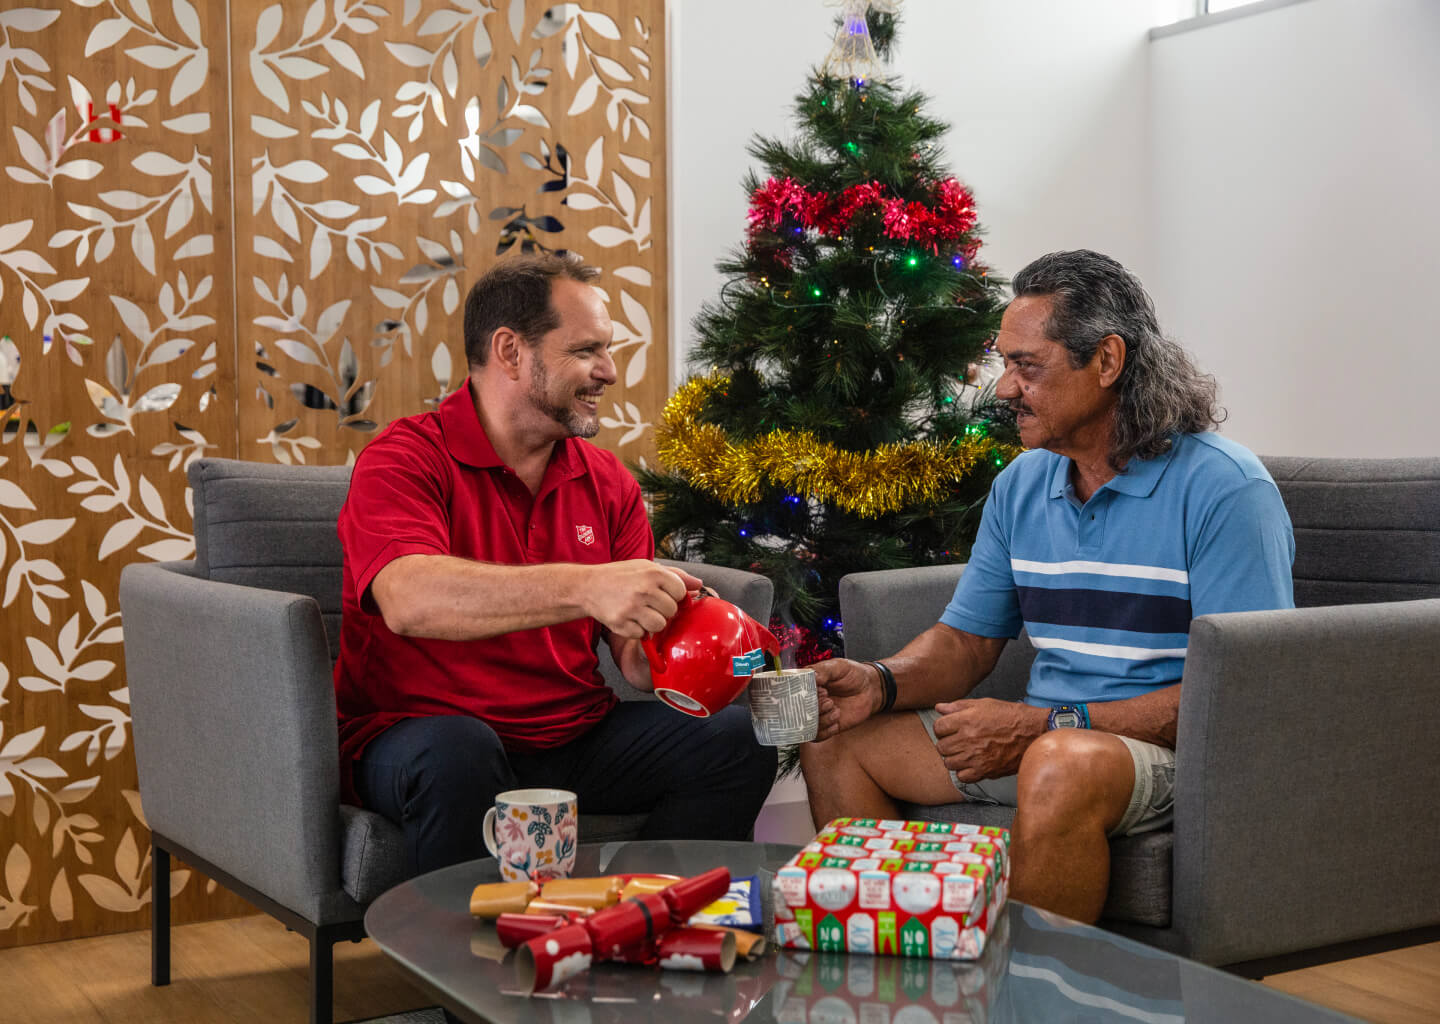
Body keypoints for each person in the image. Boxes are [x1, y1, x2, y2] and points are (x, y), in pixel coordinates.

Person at [800, 250, 1294, 923]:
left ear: (1108, 362)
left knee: (1058, 763)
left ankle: (1030, 1000)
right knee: (834, 740)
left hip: (1171, 753)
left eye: (1026, 366)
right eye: (1005, 364)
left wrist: (1045, 725)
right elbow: (968, 642)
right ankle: (907, 980)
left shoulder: (1224, 490)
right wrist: (880, 681)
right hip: (1050, 740)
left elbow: (1243, 698)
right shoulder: (1022, 484)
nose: (1004, 389)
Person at [334, 252, 777, 874]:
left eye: (609, 350)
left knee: (736, 742)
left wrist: (682, 642)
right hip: (419, 734)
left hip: (568, 736)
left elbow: (629, 660)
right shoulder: (404, 458)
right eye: (588, 350)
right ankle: (465, 964)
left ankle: (640, 922)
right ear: (511, 351)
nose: (610, 372)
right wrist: (589, 586)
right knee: (458, 751)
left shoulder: (606, 480)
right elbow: (409, 599)